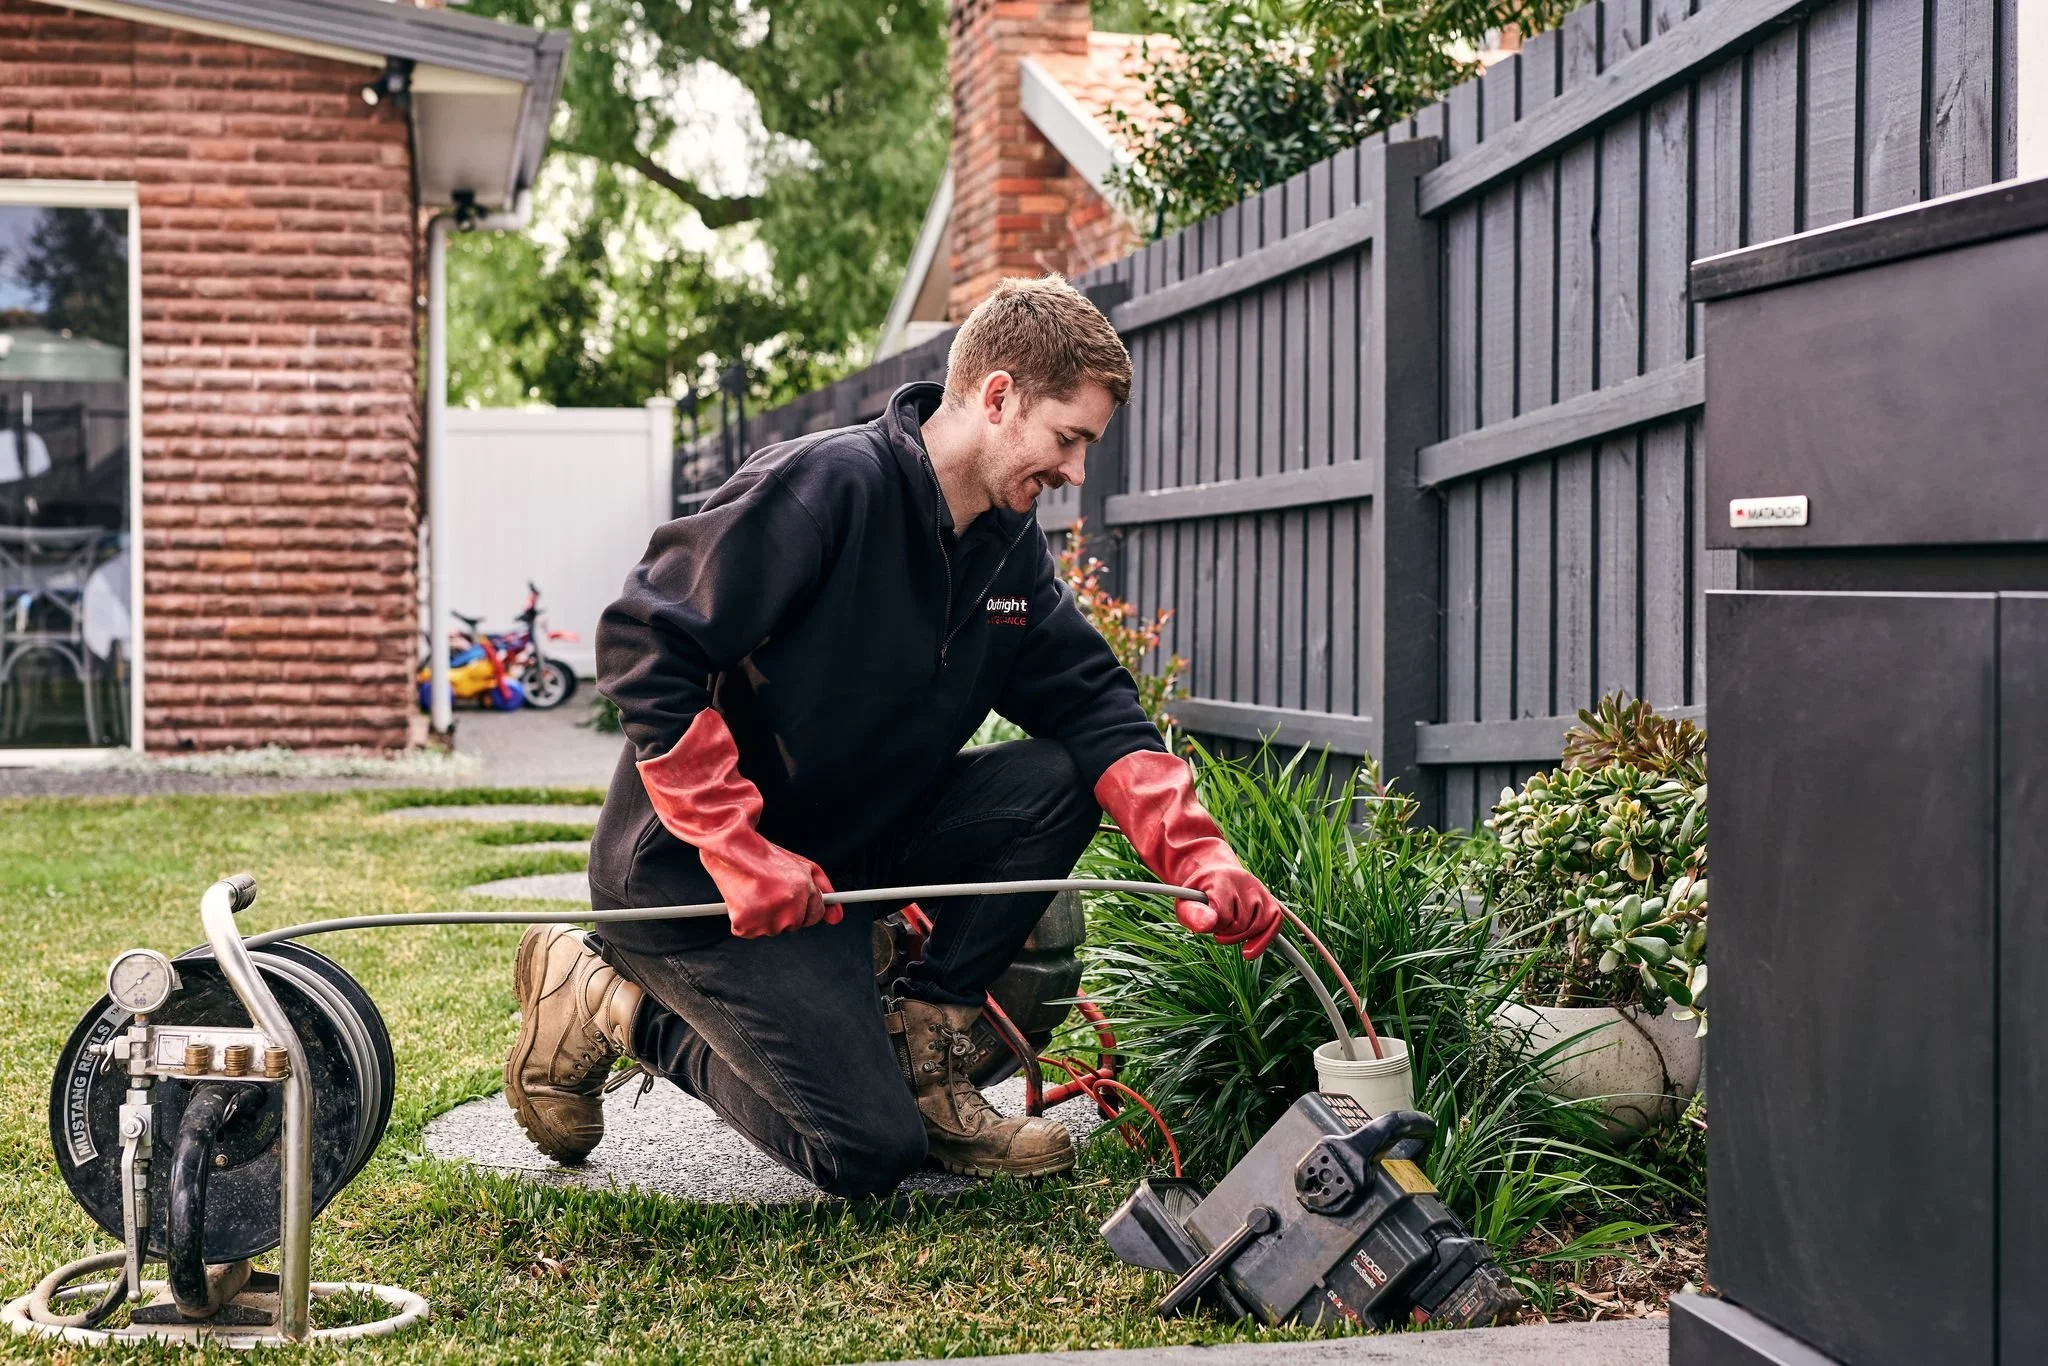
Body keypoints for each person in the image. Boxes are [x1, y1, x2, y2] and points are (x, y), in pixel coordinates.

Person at [505, 275, 1286, 1197]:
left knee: (1066, 772)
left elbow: (1094, 706)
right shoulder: (823, 488)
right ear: (997, 398)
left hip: (844, 859)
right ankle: (606, 998)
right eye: (1069, 438)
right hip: (690, 880)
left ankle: (931, 1049)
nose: (1077, 472)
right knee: (866, 1153)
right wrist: (734, 847)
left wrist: (1201, 861)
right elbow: (645, 638)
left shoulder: (1005, 545)